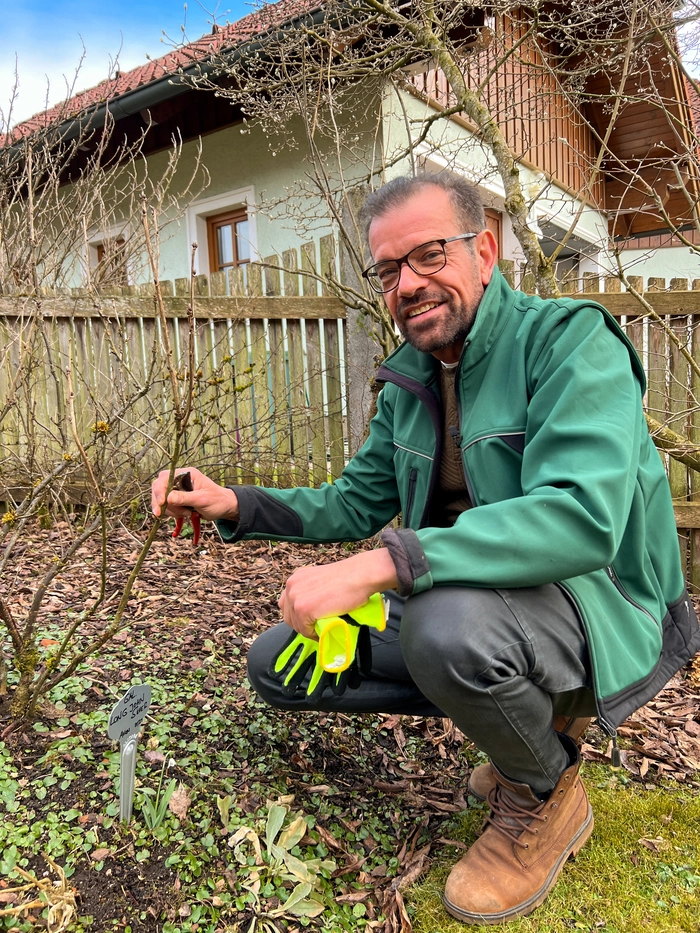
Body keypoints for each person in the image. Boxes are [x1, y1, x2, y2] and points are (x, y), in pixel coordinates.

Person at [151, 172, 700, 925]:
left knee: (444, 624)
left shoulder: (569, 343)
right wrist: (233, 502)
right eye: (388, 269)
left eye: (429, 254)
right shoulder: (413, 375)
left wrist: (385, 565)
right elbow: (352, 500)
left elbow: (579, 518)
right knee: (279, 662)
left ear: (485, 250)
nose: (408, 283)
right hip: (472, 610)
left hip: (601, 610)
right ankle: (522, 721)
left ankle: (544, 790)